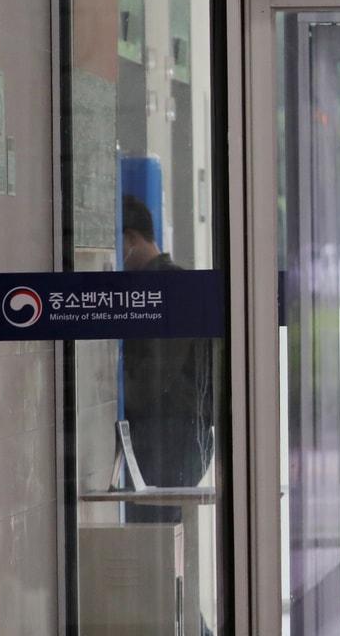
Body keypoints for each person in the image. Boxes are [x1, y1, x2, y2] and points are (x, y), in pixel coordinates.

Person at [121, 195, 214, 522]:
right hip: (171, 435)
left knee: (151, 532)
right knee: (151, 532)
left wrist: (111, 389)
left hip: (174, 436)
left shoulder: (173, 289)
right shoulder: (153, 286)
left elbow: (153, 378)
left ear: (131, 238)